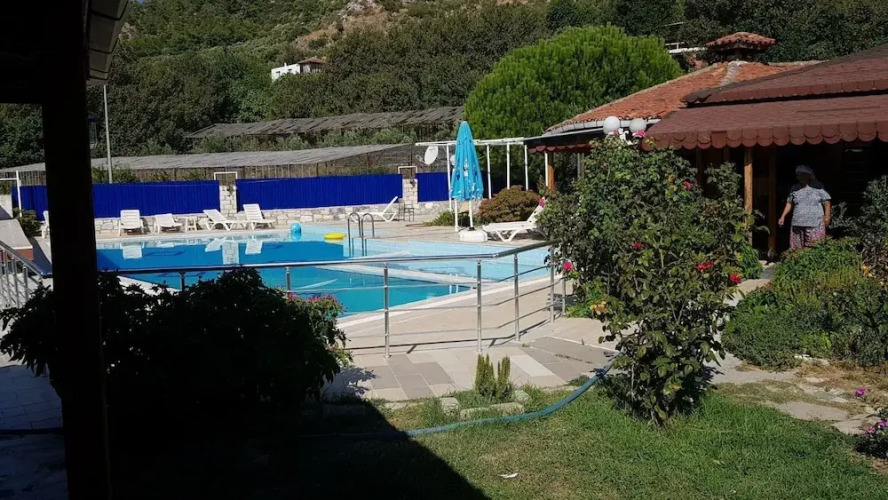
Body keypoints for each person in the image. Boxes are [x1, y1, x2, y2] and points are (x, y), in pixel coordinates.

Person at [778, 165, 831, 249]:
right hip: (797, 223)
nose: (800, 177)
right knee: (797, 249)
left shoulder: (817, 186)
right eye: (798, 175)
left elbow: (827, 202)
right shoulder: (794, 188)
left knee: (814, 248)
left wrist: (827, 217)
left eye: (803, 175)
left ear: (809, 175)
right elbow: (789, 203)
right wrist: (782, 216)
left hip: (815, 223)